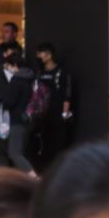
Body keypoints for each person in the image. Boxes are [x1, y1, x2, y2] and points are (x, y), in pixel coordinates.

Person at [0, 53, 38, 176]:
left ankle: (35, 178)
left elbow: (9, 102)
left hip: (16, 120)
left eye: (8, 65)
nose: (7, 68)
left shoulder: (16, 80)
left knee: (14, 153)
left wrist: (0, 100)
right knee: (20, 152)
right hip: (28, 119)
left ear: (15, 65)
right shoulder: (29, 78)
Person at [35, 42, 75, 171]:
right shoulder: (39, 72)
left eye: (41, 53)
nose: (39, 56)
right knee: (45, 141)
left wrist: (65, 113)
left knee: (59, 141)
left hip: (57, 112)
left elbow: (67, 93)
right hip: (42, 113)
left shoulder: (62, 72)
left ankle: (61, 168)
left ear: (49, 54)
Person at [0, 22, 23, 164]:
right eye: (2, 31)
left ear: (15, 34)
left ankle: (10, 156)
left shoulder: (21, 50)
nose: (3, 34)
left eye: (7, 31)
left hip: (14, 92)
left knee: (10, 125)